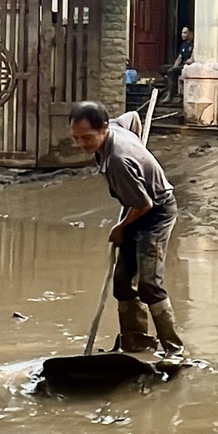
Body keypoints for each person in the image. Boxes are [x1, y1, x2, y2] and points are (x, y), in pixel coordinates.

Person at [68, 101, 183, 355]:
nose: (82, 145)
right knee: (121, 282)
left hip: (156, 213)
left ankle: (174, 349)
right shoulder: (119, 127)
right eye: (76, 138)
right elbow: (133, 117)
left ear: (104, 129)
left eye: (87, 138)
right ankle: (136, 341)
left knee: (149, 285)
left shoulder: (119, 160)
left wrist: (121, 228)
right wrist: (140, 150)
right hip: (137, 207)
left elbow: (144, 204)